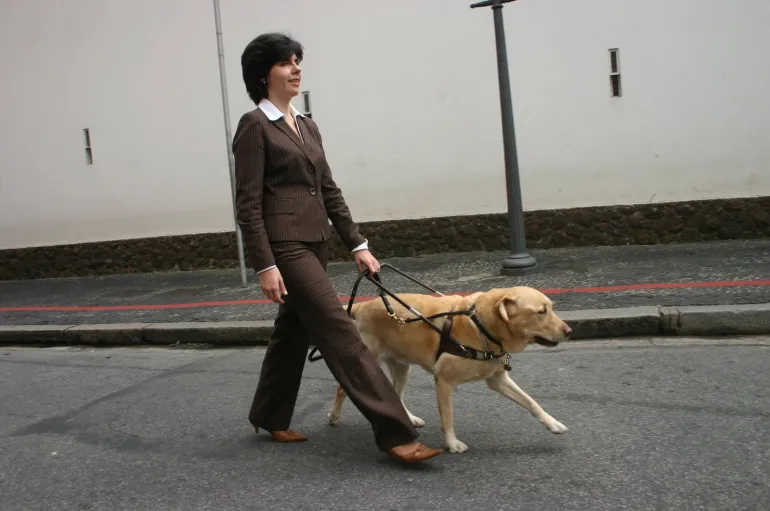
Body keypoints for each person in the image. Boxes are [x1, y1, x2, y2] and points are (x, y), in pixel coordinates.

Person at [232, 32, 443, 464]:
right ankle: (396, 433)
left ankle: (269, 414)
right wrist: (264, 264)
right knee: (340, 331)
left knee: (292, 332)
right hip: (285, 246)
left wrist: (358, 244)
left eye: (297, 61)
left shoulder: (307, 125)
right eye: (286, 63)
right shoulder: (254, 126)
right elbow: (248, 205)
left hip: (316, 242)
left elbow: (328, 190)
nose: (296, 68)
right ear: (262, 74)